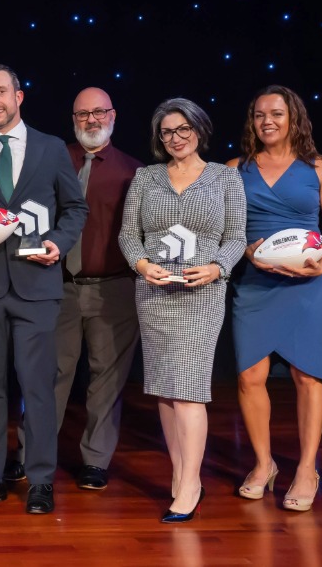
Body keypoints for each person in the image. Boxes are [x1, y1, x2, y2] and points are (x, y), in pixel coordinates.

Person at [0, 64, 88, 515]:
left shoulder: (51, 149)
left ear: (19, 96)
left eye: (0, 92)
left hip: (38, 286)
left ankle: (42, 480)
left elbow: (75, 209)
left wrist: (59, 242)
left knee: (38, 387)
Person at [118, 97, 246, 523]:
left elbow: (235, 236)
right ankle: (181, 474)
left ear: (199, 129)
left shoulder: (226, 179)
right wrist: (141, 265)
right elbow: (128, 235)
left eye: (183, 129)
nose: (175, 138)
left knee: (189, 388)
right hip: (154, 292)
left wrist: (217, 268)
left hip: (202, 293)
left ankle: (190, 484)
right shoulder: (146, 177)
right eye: (167, 131)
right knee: (165, 389)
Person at [227, 86, 322, 512]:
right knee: (250, 377)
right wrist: (247, 252)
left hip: (308, 284)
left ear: (294, 117)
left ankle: (307, 468)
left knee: (307, 376)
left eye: (276, 113)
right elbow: (226, 230)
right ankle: (264, 464)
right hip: (255, 282)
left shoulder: (321, 168)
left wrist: (321, 264)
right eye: (259, 115)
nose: (267, 122)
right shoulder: (234, 169)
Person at [51, 87, 143, 491]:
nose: (91, 120)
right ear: (73, 119)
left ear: (113, 115)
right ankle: (33, 452)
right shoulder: (53, 161)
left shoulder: (134, 171)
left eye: (99, 112)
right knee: (50, 373)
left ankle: (95, 460)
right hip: (59, 286)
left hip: (114, 288)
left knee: (107, 377)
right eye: (83, 114)